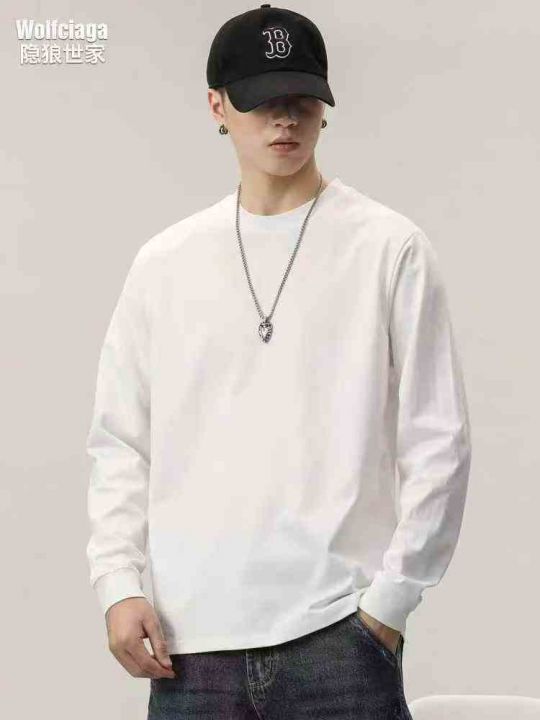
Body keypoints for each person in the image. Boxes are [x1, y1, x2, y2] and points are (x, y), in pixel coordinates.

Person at [85, 5, 472, 719]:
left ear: (325, 106)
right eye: (261, 101)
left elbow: (437, 440)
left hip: (339, 635)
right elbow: (121, 441)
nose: (284, 119)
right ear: (217, 106)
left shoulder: (389, 248)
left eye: (301, 99)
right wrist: (118, 583)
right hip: (188, 644)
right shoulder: (165, 263)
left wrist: (389, 603)